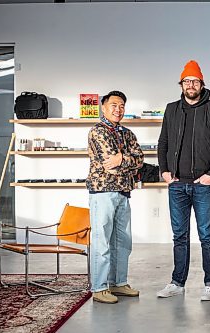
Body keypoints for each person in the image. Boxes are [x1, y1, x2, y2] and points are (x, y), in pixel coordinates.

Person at [157, 60, 210, 301]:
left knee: (206, 234)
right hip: (177, 184)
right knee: (180, 235)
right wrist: (164, 171)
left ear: (201, 84)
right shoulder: (171, 109)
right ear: (181, 84)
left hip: (202, 184)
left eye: (195, 81)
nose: (191, 85)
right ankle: (177, 282)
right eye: (187, 81)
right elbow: (163, 143)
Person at [86, 90, 144, 304]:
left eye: (121, 106)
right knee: (102, 241)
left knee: (123, 242)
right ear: (103, 106)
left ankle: (118, 283)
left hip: (124, 192)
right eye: (114, 105)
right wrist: (125, 159)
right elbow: (109, 164)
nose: (118, 109)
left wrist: (123, 159)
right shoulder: (97, 131)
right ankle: (100, 287)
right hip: (103, 191)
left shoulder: (128, 133)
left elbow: (140, 159)